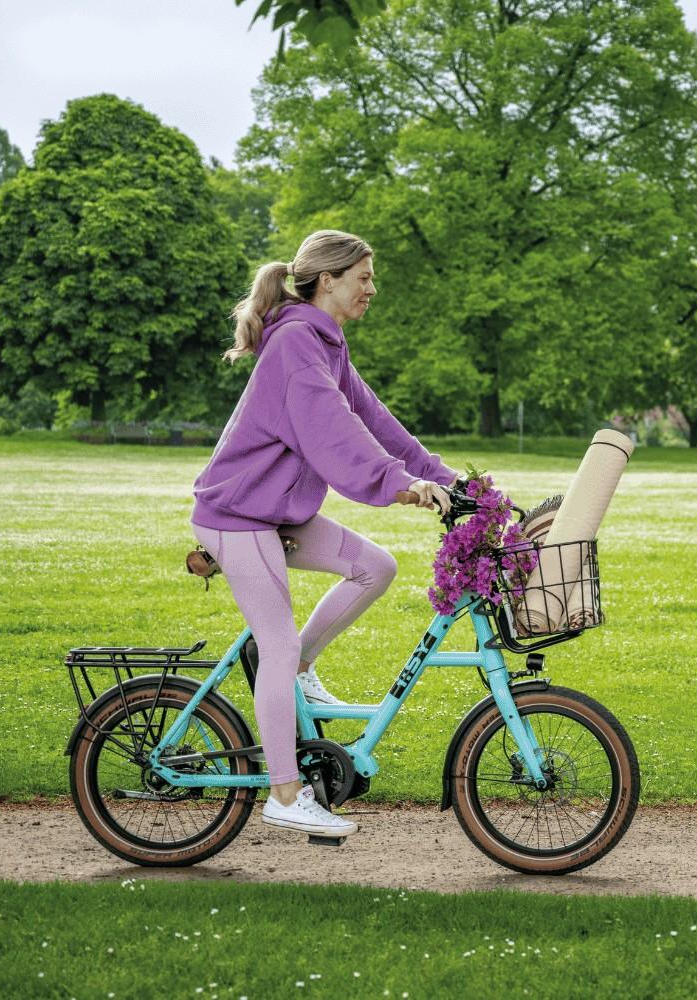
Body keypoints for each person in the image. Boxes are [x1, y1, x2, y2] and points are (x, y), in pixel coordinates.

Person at [189, 229, 454, 840]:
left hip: (274, 514)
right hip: (238, 515)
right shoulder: (294, 346)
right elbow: (332, 431)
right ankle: (284, 793)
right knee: (274, 647)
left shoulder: (326, 344)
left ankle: (300, 664)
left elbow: (375, 419)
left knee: (376, 566)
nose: (372, 288)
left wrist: (449, 478)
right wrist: (400, 486)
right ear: (327, 280)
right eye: (363, 277)